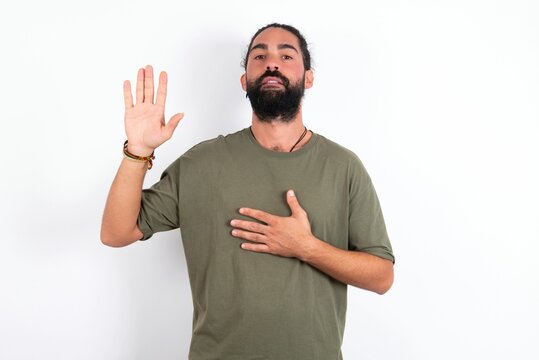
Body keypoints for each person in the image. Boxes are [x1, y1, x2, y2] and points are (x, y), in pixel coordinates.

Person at [101, 23, 395, 360]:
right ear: (244, 80)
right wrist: (137, 151)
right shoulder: (202, 163)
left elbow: (381, 276)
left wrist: (306, 247)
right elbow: (116, 232)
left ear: (308, 77)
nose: (272, 63)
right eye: (259, 55)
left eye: (286, 54)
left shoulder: (343, 167)